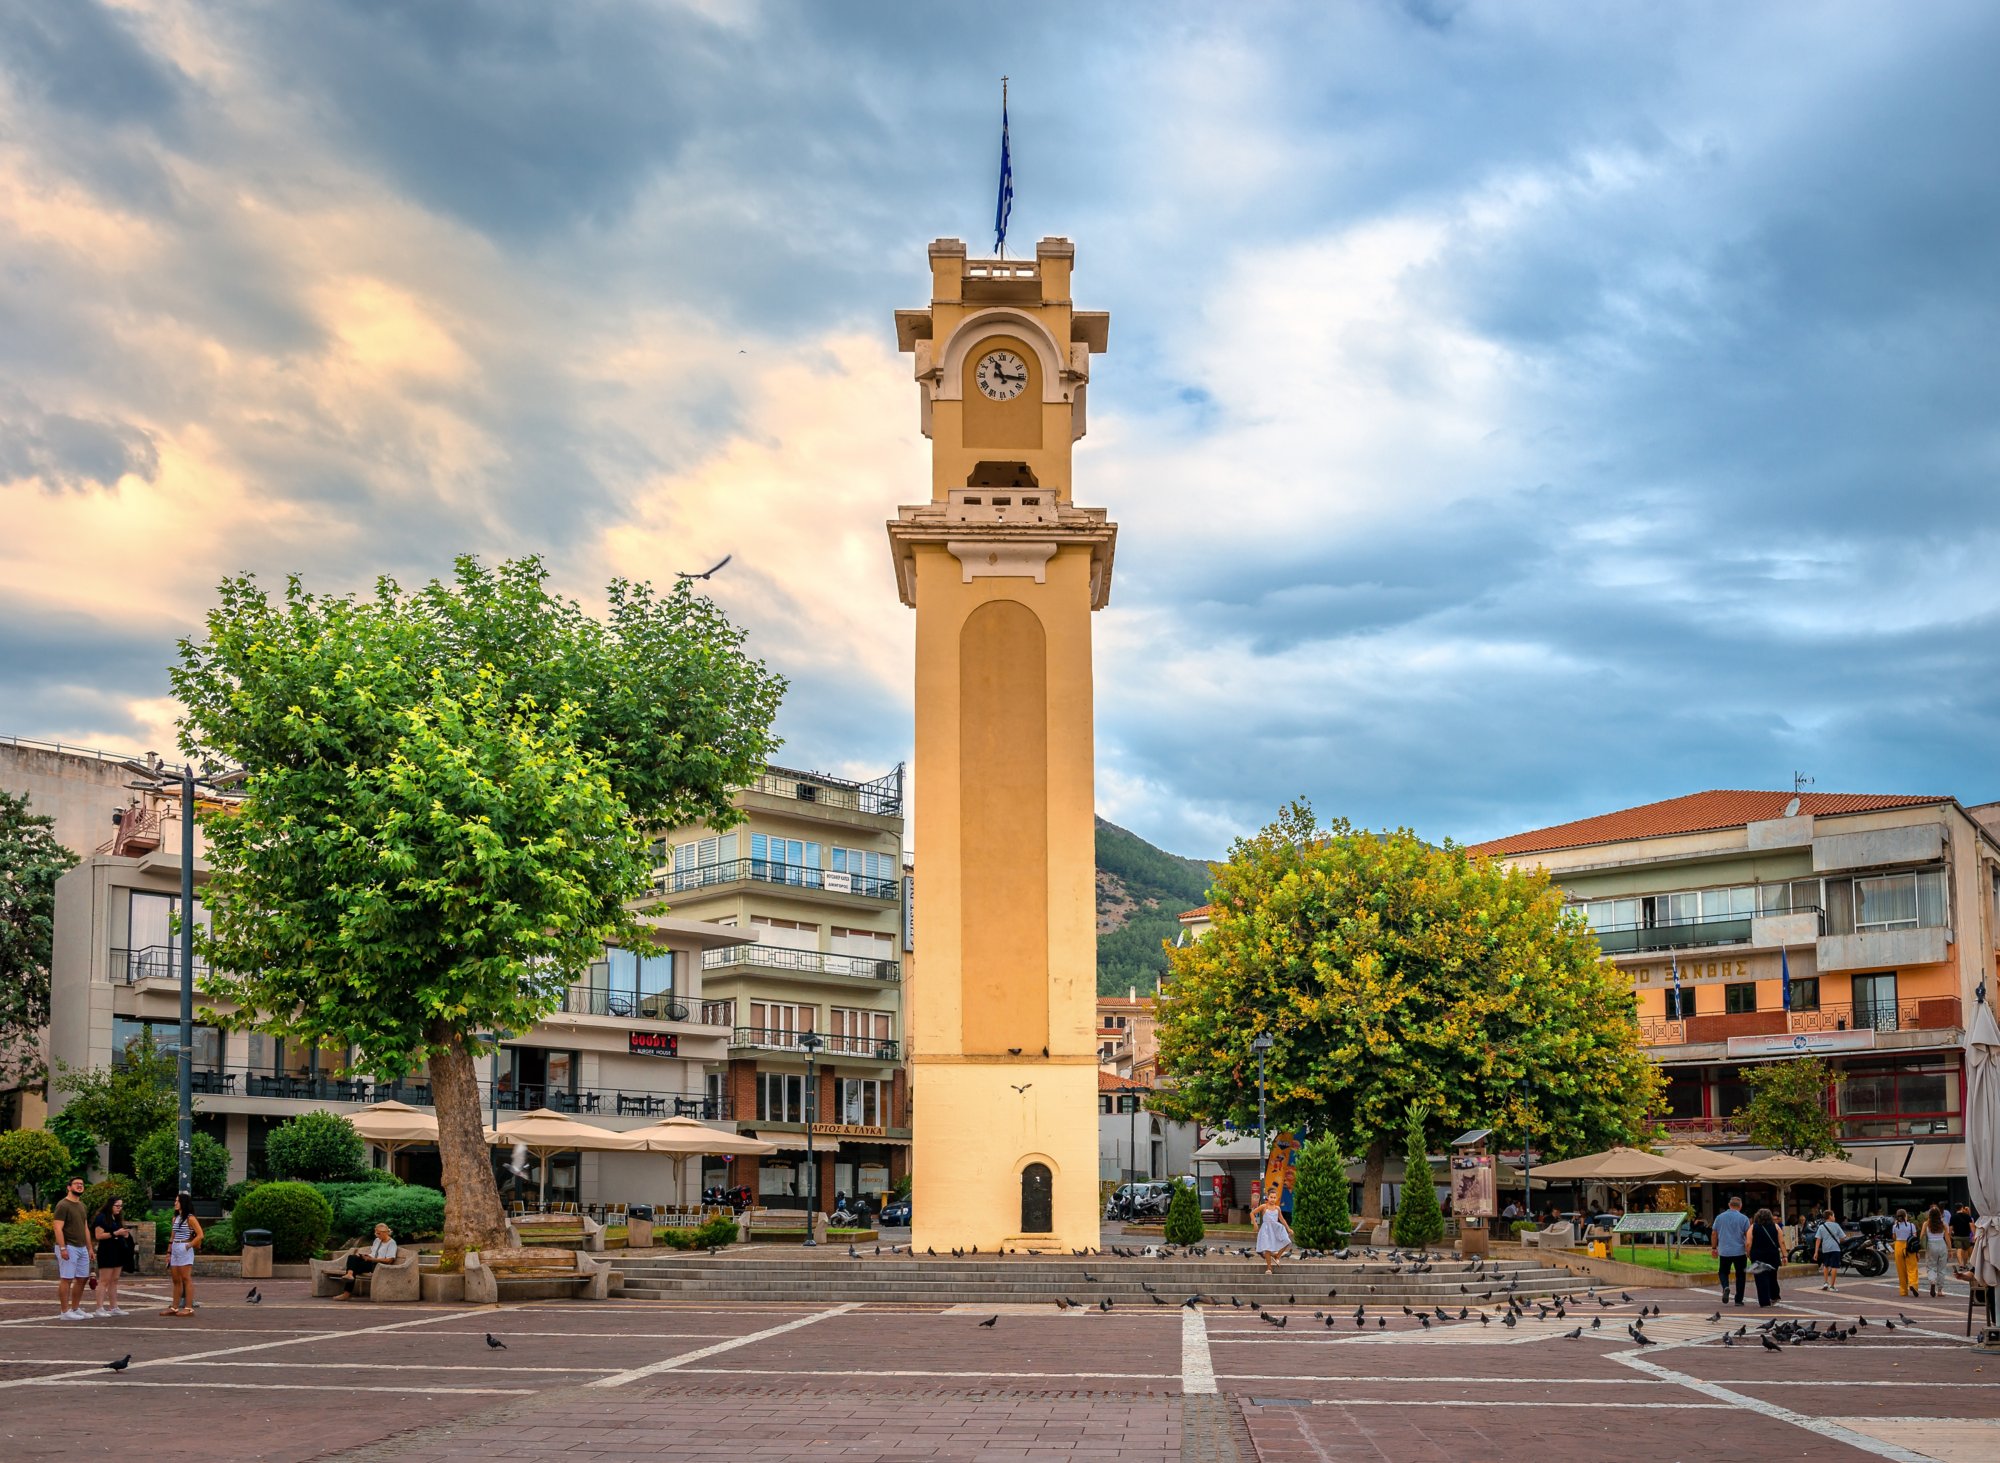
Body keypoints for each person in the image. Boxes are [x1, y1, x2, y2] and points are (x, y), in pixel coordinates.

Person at [52, 1175, 93, 1321]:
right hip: (68, 1246)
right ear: (69, 1187)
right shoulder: (63, 1205)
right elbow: (57, 1228)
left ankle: (75, 1308)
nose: (80, 1186)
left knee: (82, 1278)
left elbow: (85, 1227)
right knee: (67, 1278)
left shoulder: (82, 1205)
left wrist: (90, 1248)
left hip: (82, 1247)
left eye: (82, 1184)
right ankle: (64, 1311)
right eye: (76, 1184)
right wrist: (63, 1248)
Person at [91, 1195, 137, 1318]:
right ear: (110, 1205)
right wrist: (115, 1233)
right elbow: (99, 1235)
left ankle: (113, 1306)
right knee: (104, 1280)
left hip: (118, 1250)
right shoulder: (102, 1218)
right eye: (117, 1206)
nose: (119, 1208)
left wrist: (125, 1235)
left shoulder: (116, 1218)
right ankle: (99, 1307)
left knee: (114, 1280)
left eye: (120, 1206)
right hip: (107, 1251)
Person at [332, 1223, 399, 1299]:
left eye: (378, 1233)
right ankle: (349, 1275)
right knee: (352, 1257)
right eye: (375, 1233)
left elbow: (389, 1260)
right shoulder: (377, 1240)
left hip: (379, 1265)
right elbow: (373, 1253)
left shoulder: (391, 1243)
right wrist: (365, 1256)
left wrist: (372, 1259)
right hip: (371, 1261)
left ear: (385, 1233)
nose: (376, 1235)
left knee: (354, 1267)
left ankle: (346, 1293)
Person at [163, 1191, 203, 1317]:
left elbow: (200, 1234)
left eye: (177, 1201)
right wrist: (169, 1251)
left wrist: (189, 1245)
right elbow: (172, 1235)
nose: (175, 1203)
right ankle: (174, 1307)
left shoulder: (190, 1218)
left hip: (184, 1246)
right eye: (175, 1201)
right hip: (175, 1246)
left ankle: (188, 1307)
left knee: (186, 1278)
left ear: (183, 1203)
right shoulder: (175, 1218)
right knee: (176, 1279)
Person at [1710, 1195, 1752, 1306]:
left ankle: (1726, 1287)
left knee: (1723, 1272)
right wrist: (1748, 1250)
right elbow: (1748, 1236)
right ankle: (1738, 1300)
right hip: (1740, 1251)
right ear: (1740, 1206)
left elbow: (1714, 1233)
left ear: (1729, 1205)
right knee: (1740, 1275)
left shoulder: (1719, 1217)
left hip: (1725, 1251)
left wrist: (1714, 1248)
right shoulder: (1744, 1219)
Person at [1748, 1207, 1784, 1308]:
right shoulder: (1776, 1226)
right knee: (1773, 1276)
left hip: (1758, 1255)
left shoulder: (1753, 1227)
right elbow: (1781, 1241)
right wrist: (1785, 1255)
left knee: (1760, 1279)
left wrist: (1748, 1253)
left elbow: (1748, 1242)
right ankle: (1774, 1296)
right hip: (1773, 1255)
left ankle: (1764, 1302)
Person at [1251, 1192, 1292, 1274]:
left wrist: (1288, 1228)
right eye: (1271, 1197)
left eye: (1274, 1197)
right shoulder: (1264, 1206)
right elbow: (1252, 1213)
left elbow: (1282, 1219)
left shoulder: (1277, 1208)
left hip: (1276, 1229)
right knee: (1267, 1248)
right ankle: (1269, 1268)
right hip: (1266, 1230)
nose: (1272, 1199)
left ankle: (1277, 1255)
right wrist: (1255, 1223)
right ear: (1268, 1198)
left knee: (1287, 1241)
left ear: (1276, 1199)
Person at [1920, 1205, 1953, 1298]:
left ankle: (1932, 1281)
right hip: (1942, 1245)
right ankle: (1940, 1290)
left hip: (1931, 1245)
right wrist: (1950, 1250)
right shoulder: (1943, 1224)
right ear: (1939, 1214)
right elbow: (1947, 1238)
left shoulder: (1926, 1224)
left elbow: (1921, 1236)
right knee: (1942, 1268)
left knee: (1931, 1267)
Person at [1810, 1208, 1845, 1290]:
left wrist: (1816, 1252)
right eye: (1833, 1216)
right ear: (1830, 1216)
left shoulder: (1822, 1226)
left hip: (1825, 1249)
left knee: (1826, 1265)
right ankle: (1832, 1286)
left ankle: (1825, 1283)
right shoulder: (1836, 1225)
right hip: (1835, 1248)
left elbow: (1818, 1240)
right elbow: (1843, 1237)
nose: (1834, 1217)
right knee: (1834, 1267)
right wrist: (1837, 1240)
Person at [1891, 1208, 1920, 1297]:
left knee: (1901, 1270)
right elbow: (1915, 1238)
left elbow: (1894, 1238)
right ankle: (1913, 1284)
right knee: (1912, 1267)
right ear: (1905, 1216)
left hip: (1898, 1246)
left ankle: (1903, 1291)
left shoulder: (1895, 1226)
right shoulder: (1911, 1226)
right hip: (1909, 1247)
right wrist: (1917, 1251)